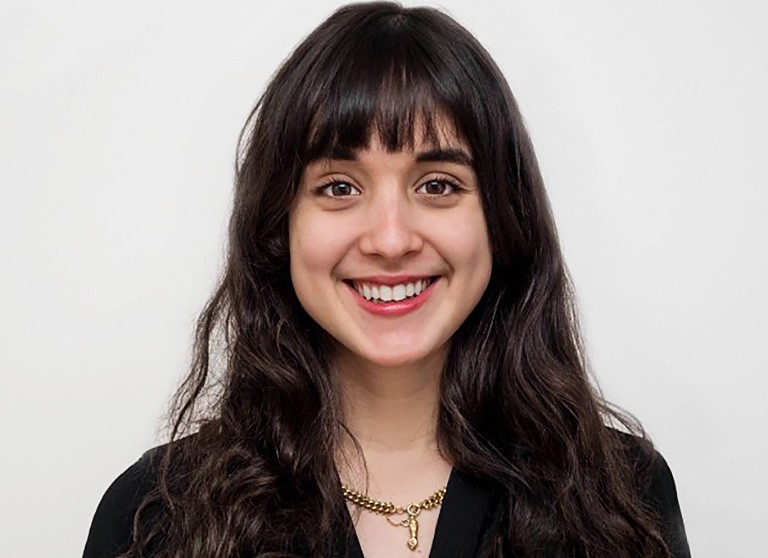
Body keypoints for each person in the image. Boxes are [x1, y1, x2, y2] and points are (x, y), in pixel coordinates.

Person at [83, 3, 690, 557]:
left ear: (504, 220)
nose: (391, 239)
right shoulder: (156, 517)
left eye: (438, 185)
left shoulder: (620, 497)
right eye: (339, 187)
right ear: (279, 227)